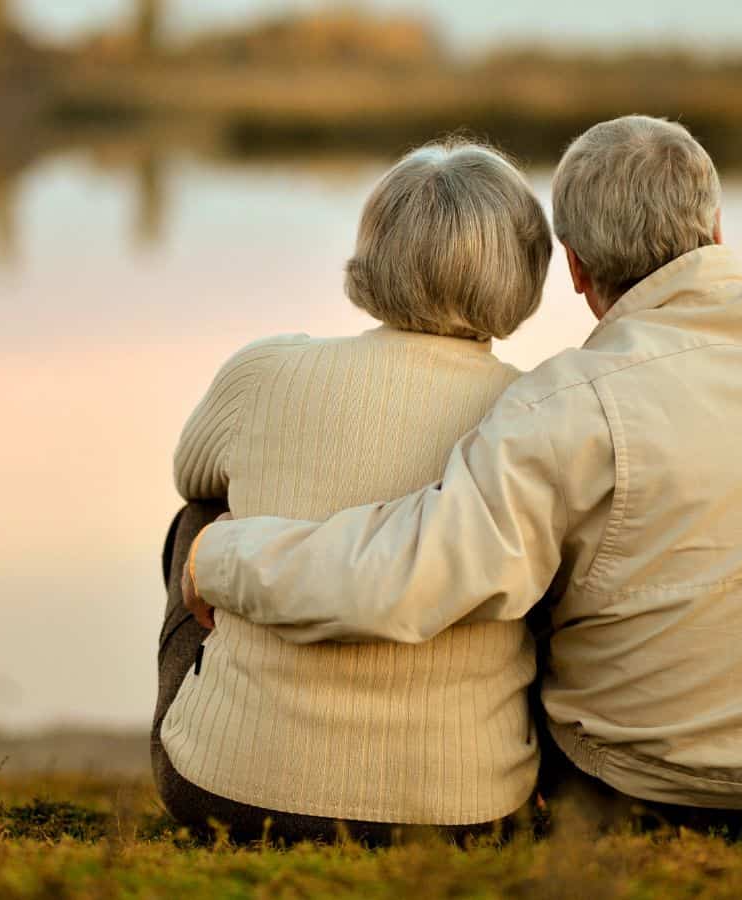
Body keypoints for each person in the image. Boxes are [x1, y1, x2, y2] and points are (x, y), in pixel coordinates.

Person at [184, 116, 742, 835]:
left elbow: (410, 574)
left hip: (637, 788)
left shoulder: (568, 405)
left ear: (572, 266)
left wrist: (217, 553)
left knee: (539, 550)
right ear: (718, 228)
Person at [155, 140, 554, 843]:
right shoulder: (536, 412)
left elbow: (192, 474)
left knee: (201, 519)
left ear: (373, 253)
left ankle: (234, 720)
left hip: (228, 790)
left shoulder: (265, 371)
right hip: (466, 808)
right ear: (525, 270)